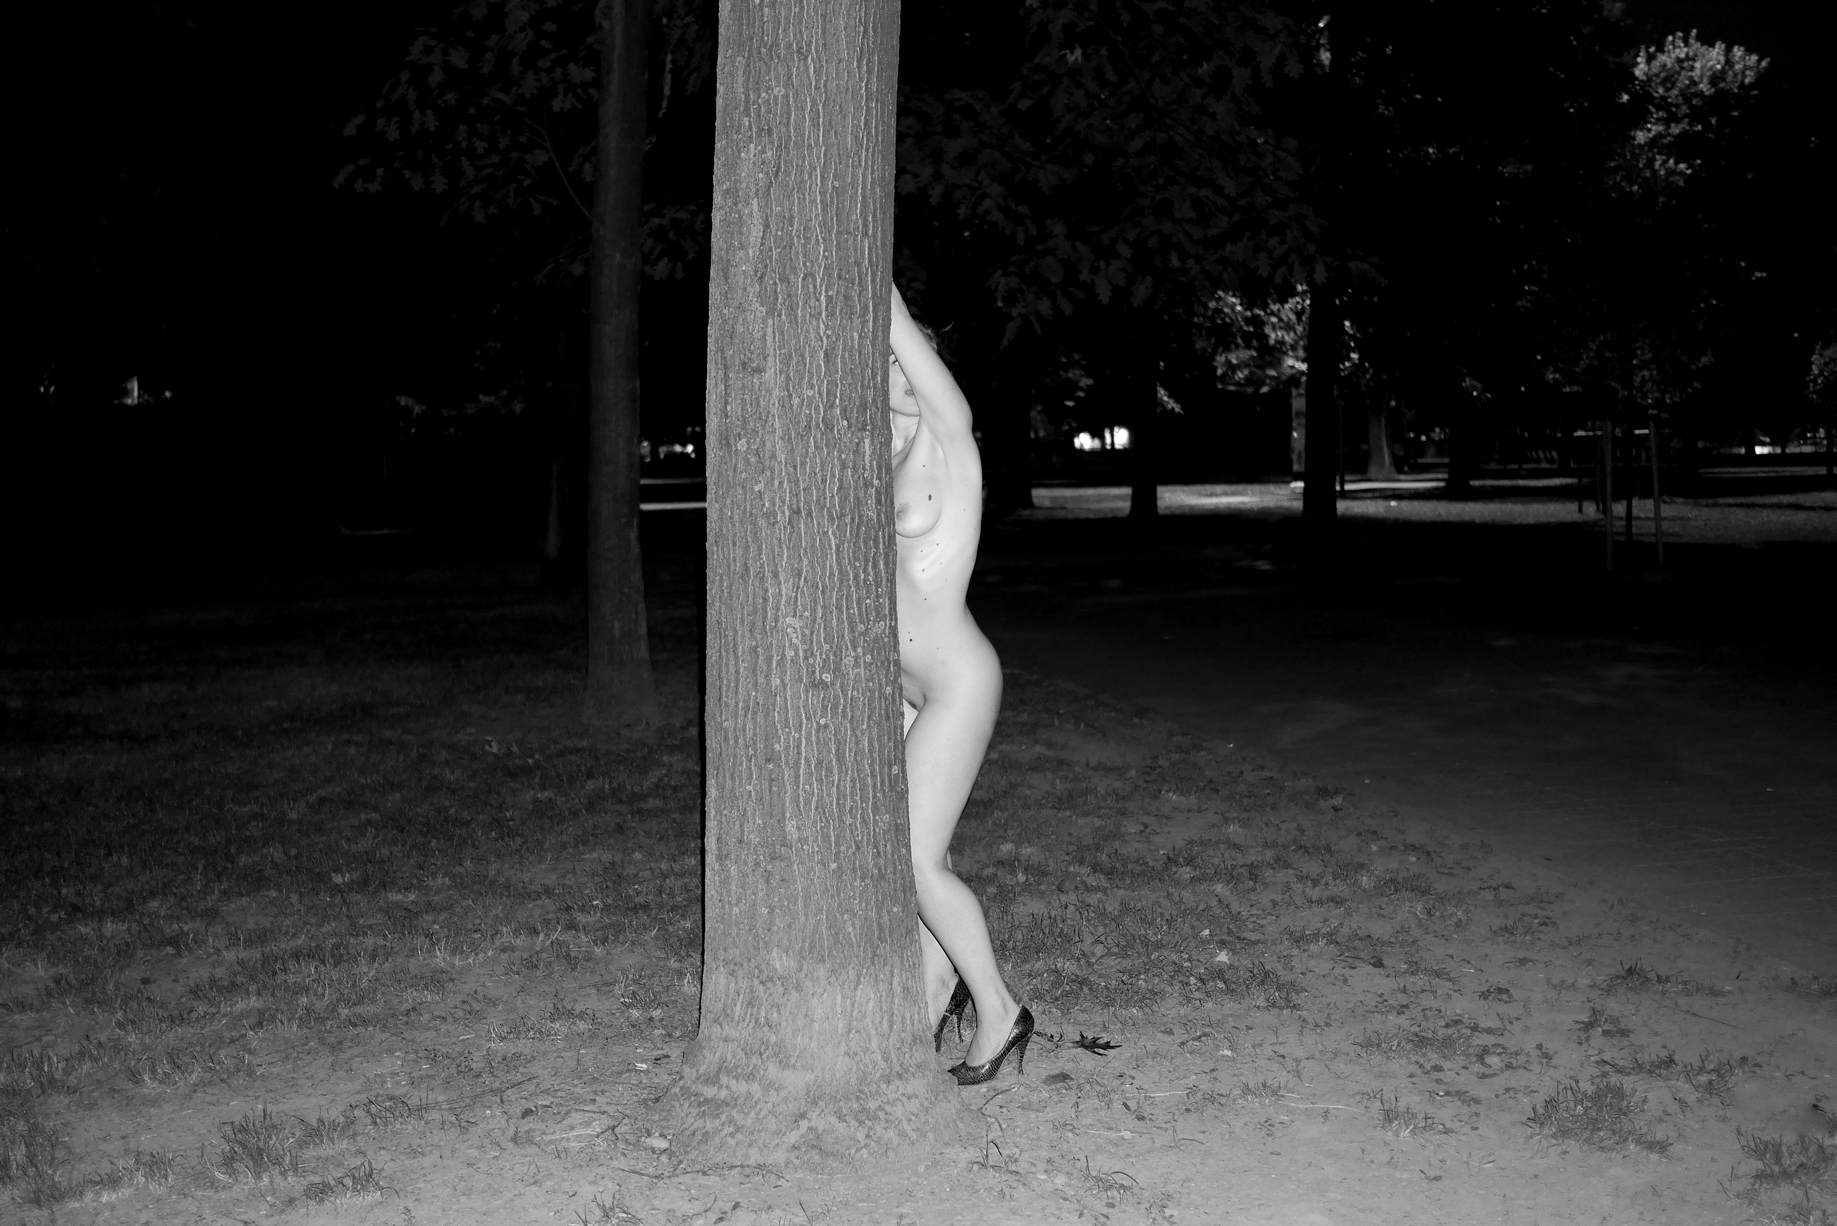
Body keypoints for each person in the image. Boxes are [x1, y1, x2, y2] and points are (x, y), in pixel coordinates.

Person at [888, 284, 1033, 1085]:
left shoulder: (949, 439)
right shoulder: (880, 453)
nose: (900, 377)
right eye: (887, 367)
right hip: (904, 687)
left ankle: (999, 1009)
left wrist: (883, 298)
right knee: (917, 851)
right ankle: (933, 990)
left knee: (913, 859)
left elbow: (897, 328)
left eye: (909, 364)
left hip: (954, 680)